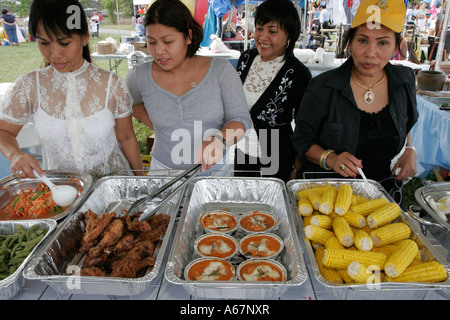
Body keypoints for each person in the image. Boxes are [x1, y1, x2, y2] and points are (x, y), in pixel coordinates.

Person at [0, 0, 144, 181]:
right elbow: (4, 132)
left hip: (113, 184)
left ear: (84, 37)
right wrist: (15, 154)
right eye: (44, 43)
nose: (54, 54)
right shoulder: (30, 86)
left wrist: (141, 183)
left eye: (64, 43)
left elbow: (126, 138)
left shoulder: (112, 85)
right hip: (62, 188)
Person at [291, 0, 418, 197]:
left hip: (382, 196)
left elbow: (406, 121)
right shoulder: (322, 88)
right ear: (350, 42)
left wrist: (409, 149)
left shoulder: (404, 81)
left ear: (396, 47)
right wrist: (331, 158)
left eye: (383, 42)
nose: (370, 53)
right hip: (325, 197)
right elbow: (301, 140)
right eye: (362, 40)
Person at [126, 0, 252, 175]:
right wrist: (160, 126)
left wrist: (219, 139)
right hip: (163, 172)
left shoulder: (220, 72)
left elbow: (241, 120)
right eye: (152, 42)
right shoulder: (139, 77)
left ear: (189, 37)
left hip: (214, 173)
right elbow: (131, 103)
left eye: (168, 41)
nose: (159, 50)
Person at [234, 0, 311, 182]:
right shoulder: (246, 58)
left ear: (289, 36)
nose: (262, 37)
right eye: (259, 28)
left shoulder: (298, 73)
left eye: (273, 31)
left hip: (276, 157)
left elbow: (304, 126)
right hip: (240, 152)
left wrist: (296, 166)